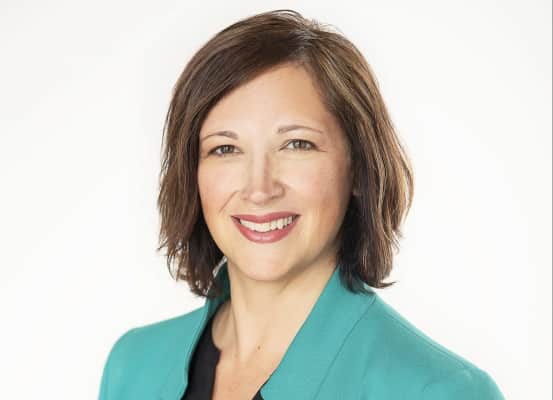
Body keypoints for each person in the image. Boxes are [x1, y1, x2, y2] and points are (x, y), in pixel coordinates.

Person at [98, 9, 505, 400]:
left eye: (297, 144)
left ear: (358, 167)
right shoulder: (133, 367)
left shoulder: (444, 393)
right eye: (225, 149)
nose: (259, 188)